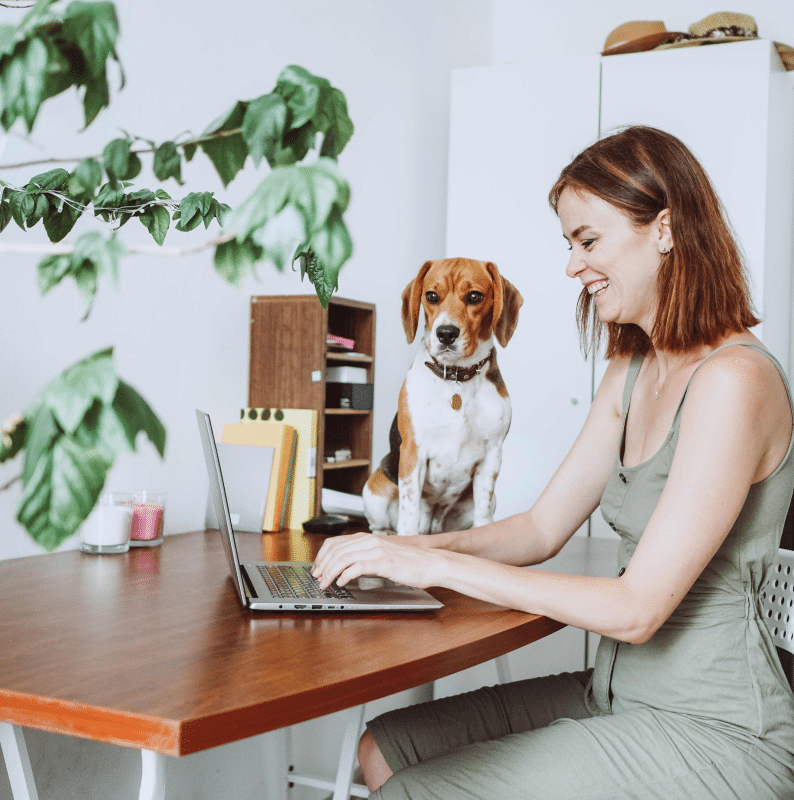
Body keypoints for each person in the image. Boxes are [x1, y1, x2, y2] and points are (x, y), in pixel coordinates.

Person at [311, 125, 794, 800]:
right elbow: (540, 529)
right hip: (614, 692)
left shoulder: (734, 381)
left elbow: (637, 609)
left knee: (413, 790)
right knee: (384, 746)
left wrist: (433, 565)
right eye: (569, 244)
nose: (572, 266)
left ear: (664, 228)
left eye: (588, 241)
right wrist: (396, 548)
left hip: (715, 729)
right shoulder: (631, 367)